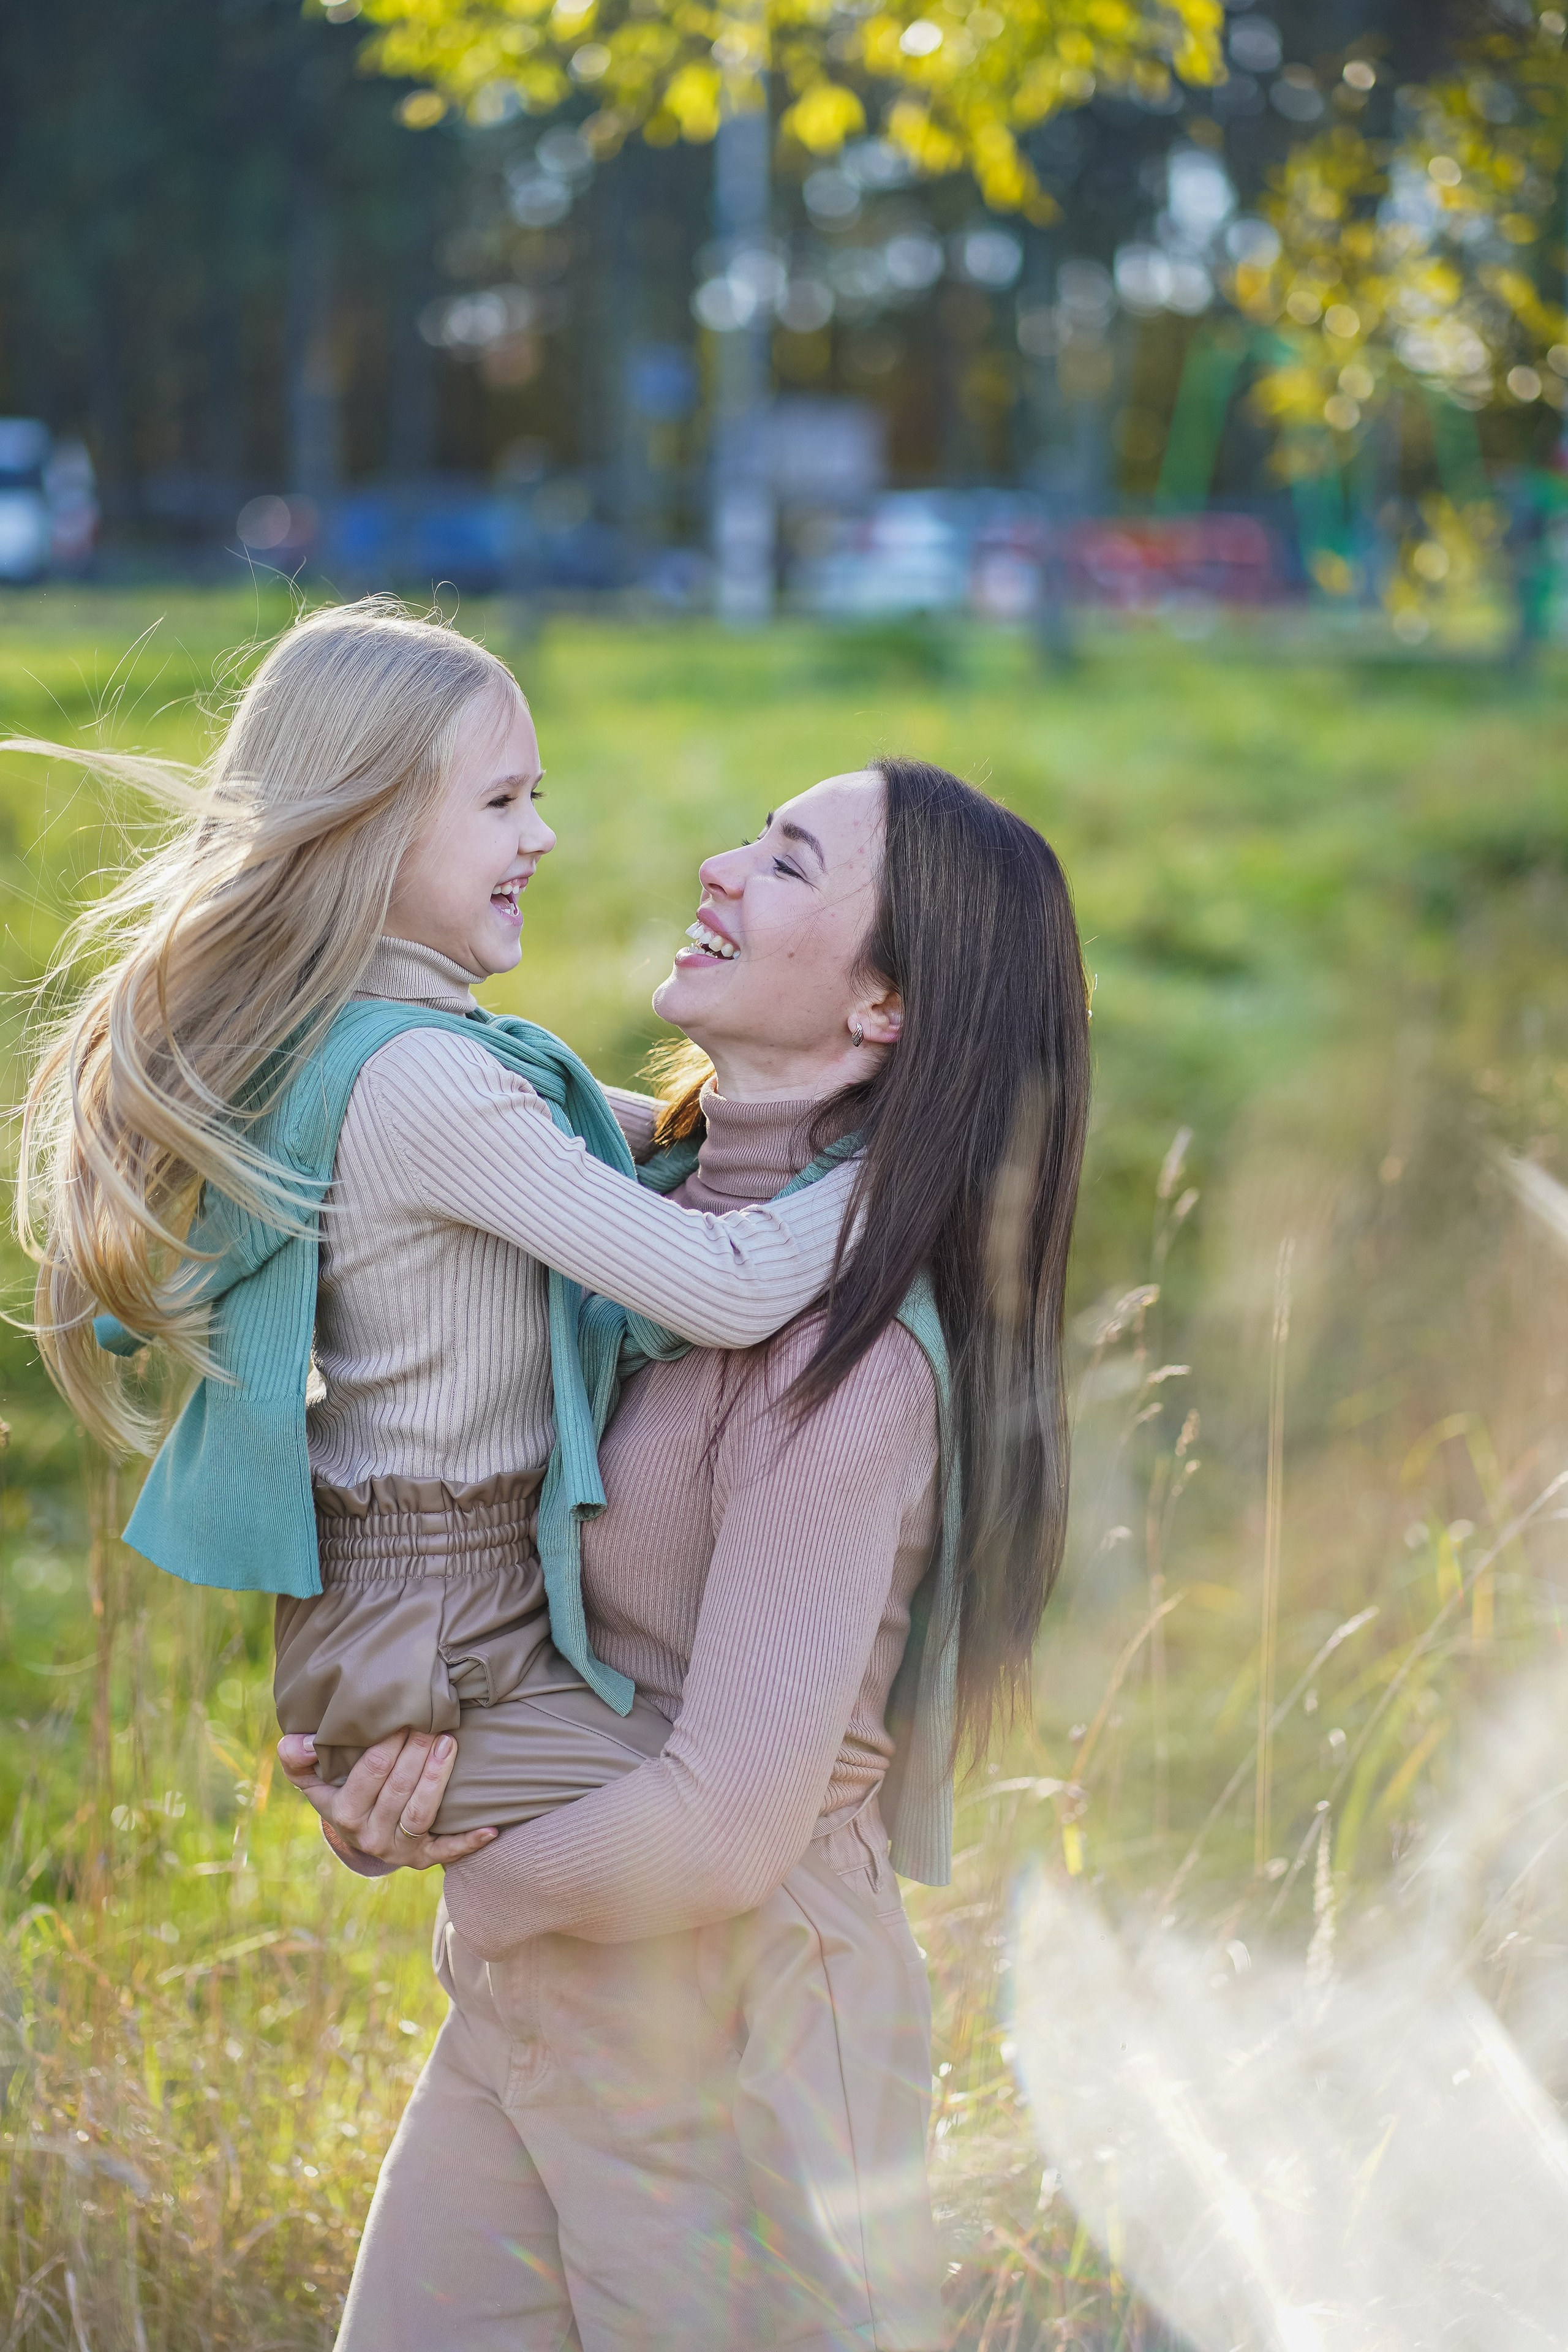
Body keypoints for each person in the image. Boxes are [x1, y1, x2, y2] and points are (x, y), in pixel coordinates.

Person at [282, 756, 1093, 2351]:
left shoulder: (850, 1363)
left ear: (886, 1012)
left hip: (736, 2044)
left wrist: (484, 1871)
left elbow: (726, 1825)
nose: (721, 863)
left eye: (788, 863)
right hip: (543, 2013)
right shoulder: (636, 1216)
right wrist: (378, 1759)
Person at [13, 597, 862, 1853]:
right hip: (440, 1619)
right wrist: (895, 1171)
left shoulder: (393, 1045)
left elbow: (647, 1137)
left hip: (426, 1599)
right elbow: (722, 1288)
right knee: (767, 1808)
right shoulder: (423, 1082)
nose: (543, 833)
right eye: (501, 802)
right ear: (373, 825)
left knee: (748, 1823)